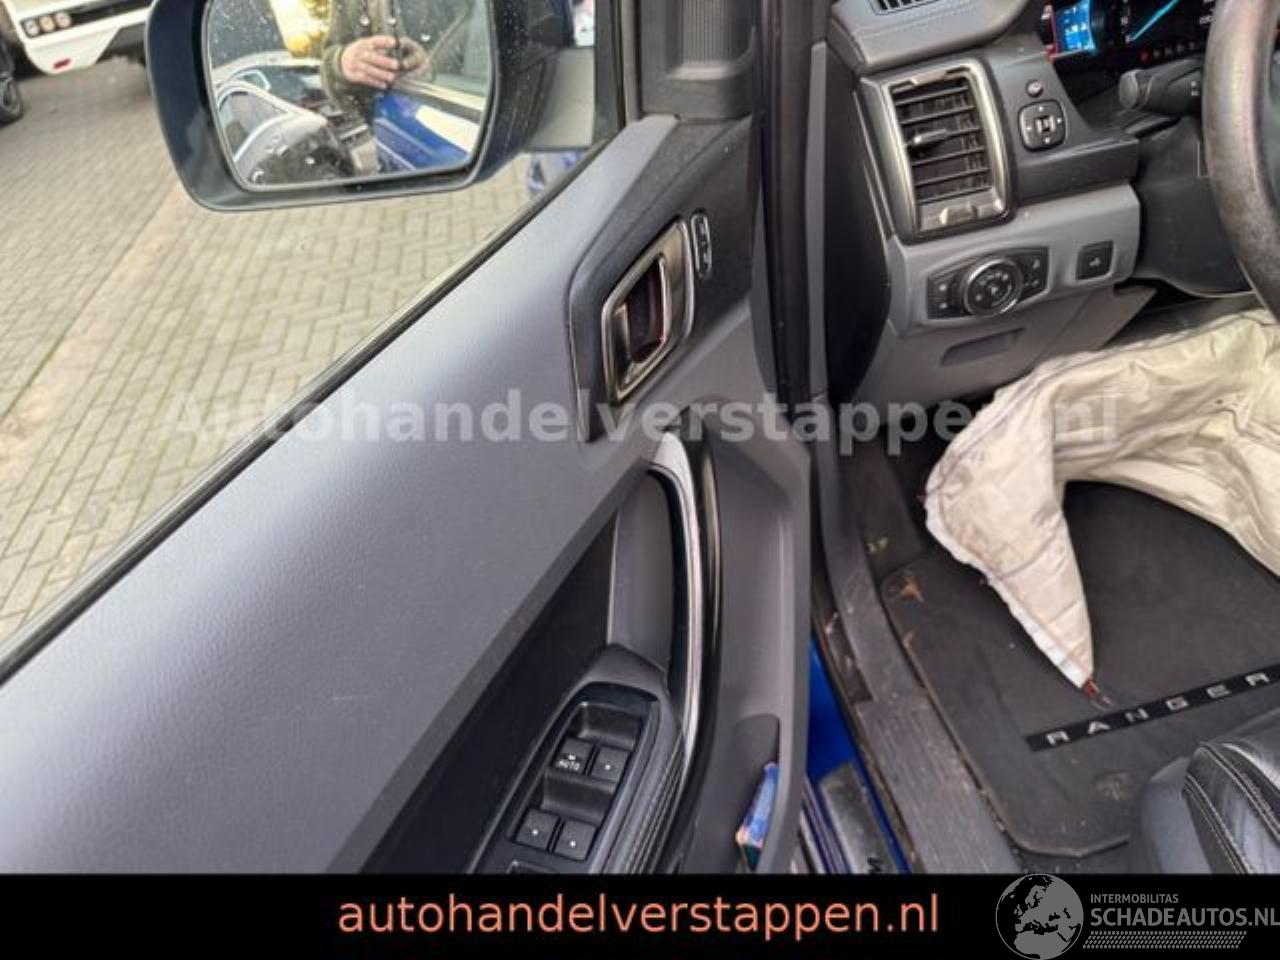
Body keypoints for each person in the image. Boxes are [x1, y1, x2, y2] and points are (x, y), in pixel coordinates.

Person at [319, 0, 472, 118]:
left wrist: (436, 63)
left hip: (464, 107)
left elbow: (477, 21)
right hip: (398, 122)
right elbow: (329, 69)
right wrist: (341, 61)